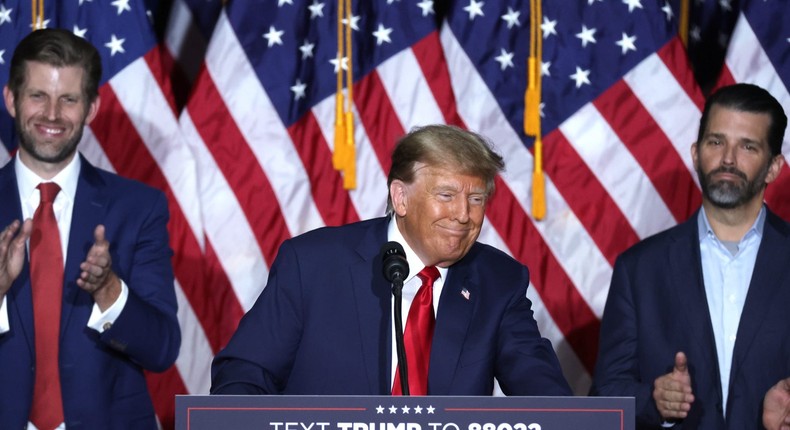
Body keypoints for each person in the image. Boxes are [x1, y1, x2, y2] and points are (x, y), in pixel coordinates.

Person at [211, 124, 571, 396]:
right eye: (446, 195)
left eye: (476, 199)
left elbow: (540, 389)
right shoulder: (314, 264)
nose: (464, 214)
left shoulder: (498, 280)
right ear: (400, 197)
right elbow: (243, 375)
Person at [0, 29, 180, 429]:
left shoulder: (139, 208)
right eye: (37, 96)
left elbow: (163, 349)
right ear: (11, 99)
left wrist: (109, 291)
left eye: (68, 99)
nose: (51, 114)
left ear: (91, 109)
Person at [590, 83, 790, 429]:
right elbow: (606, 394)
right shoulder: (640, 269)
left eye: (747, 146)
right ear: (696, 153)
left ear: (774, 167)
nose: (728, 158)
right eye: (716, 142)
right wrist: (654, 400)